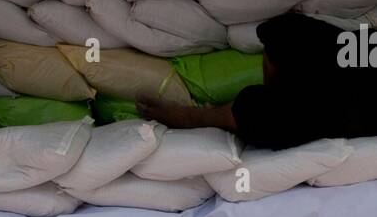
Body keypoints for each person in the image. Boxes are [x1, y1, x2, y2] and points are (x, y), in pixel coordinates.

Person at [137, 11, 377, 148]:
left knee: (269, 115)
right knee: (287, 31)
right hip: (358, 60)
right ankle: (274, 94)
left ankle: (199, 117)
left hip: (346, 108)